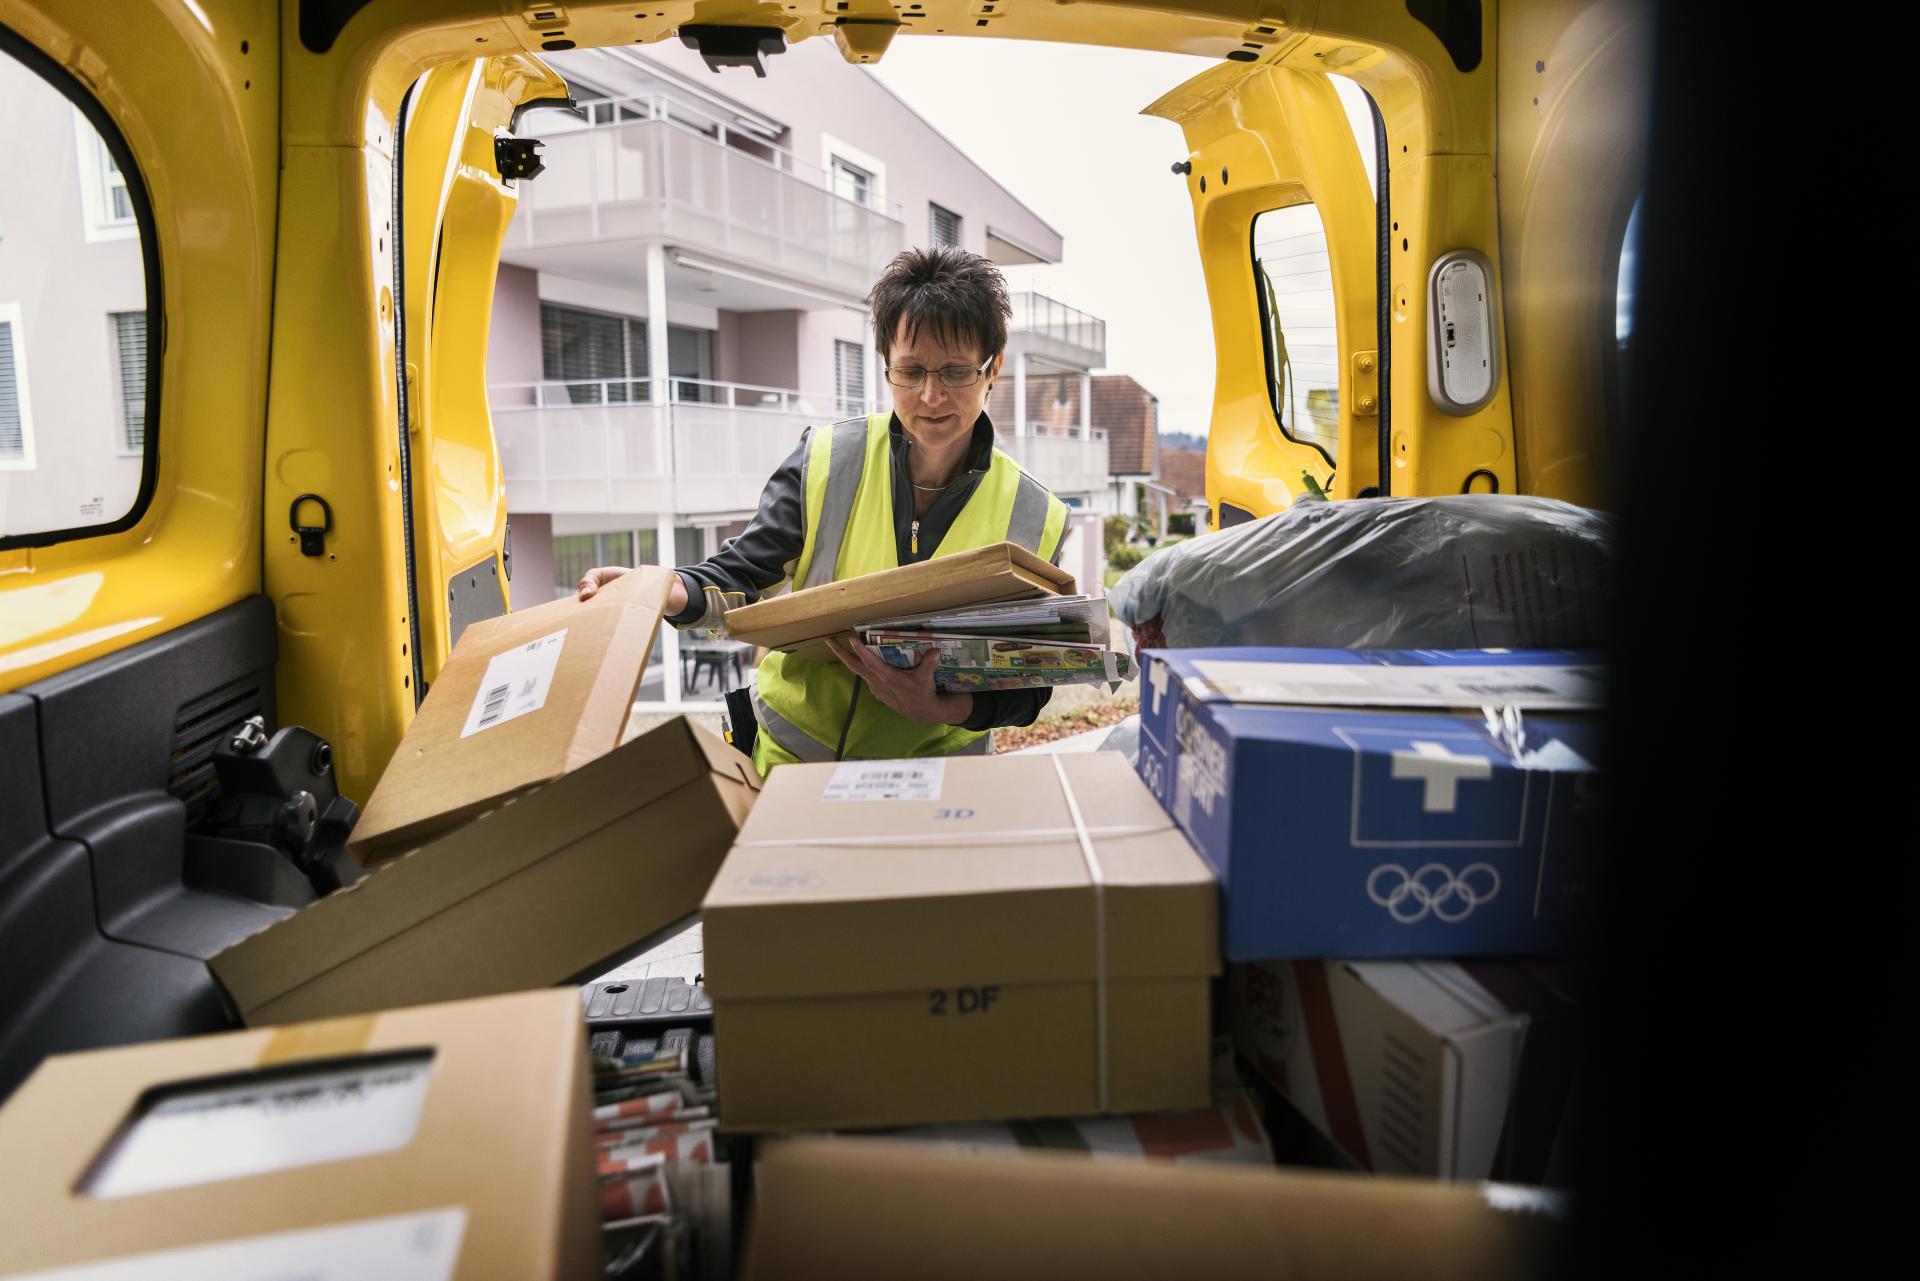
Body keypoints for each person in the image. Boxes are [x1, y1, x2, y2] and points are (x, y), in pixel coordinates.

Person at [577, 246, 1070, 775]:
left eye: (954, 372)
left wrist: (947, 708)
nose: (930, 396)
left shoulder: (1035, 514)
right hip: (792, 772)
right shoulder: (828, 460)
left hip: (936, 786)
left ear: (992, 367)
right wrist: (663, 588)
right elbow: (742, 576)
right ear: (886, 367)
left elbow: (1032, 682)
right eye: (910, 371)